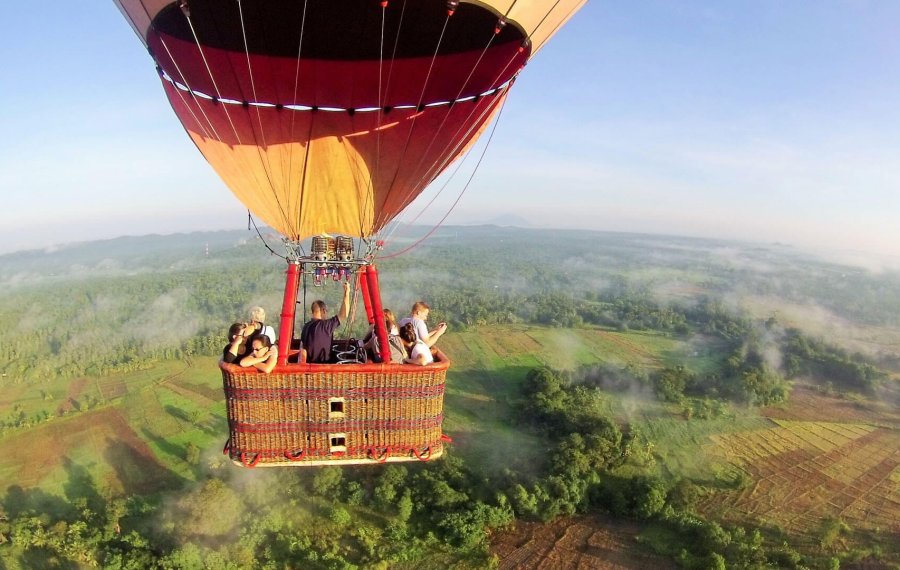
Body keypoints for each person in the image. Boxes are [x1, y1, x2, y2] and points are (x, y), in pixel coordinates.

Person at [300, 281, 351, 364]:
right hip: (323, 368)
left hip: (310, 367)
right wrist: (347, 292)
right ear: (323, 311)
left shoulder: (306, 327)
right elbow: (344, 314)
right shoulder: (325, 326)